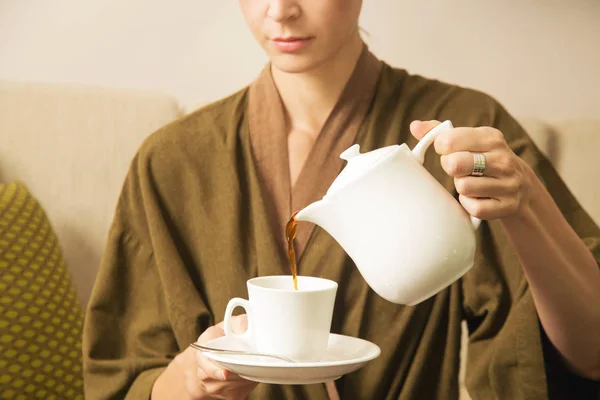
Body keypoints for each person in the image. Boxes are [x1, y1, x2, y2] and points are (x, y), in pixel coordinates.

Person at [82, 1, 600, 399]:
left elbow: (591, 354)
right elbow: (123, 380)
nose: (280, 10)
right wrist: (192, 377)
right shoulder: (172, 161)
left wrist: (528, 203)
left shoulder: (458, 129)